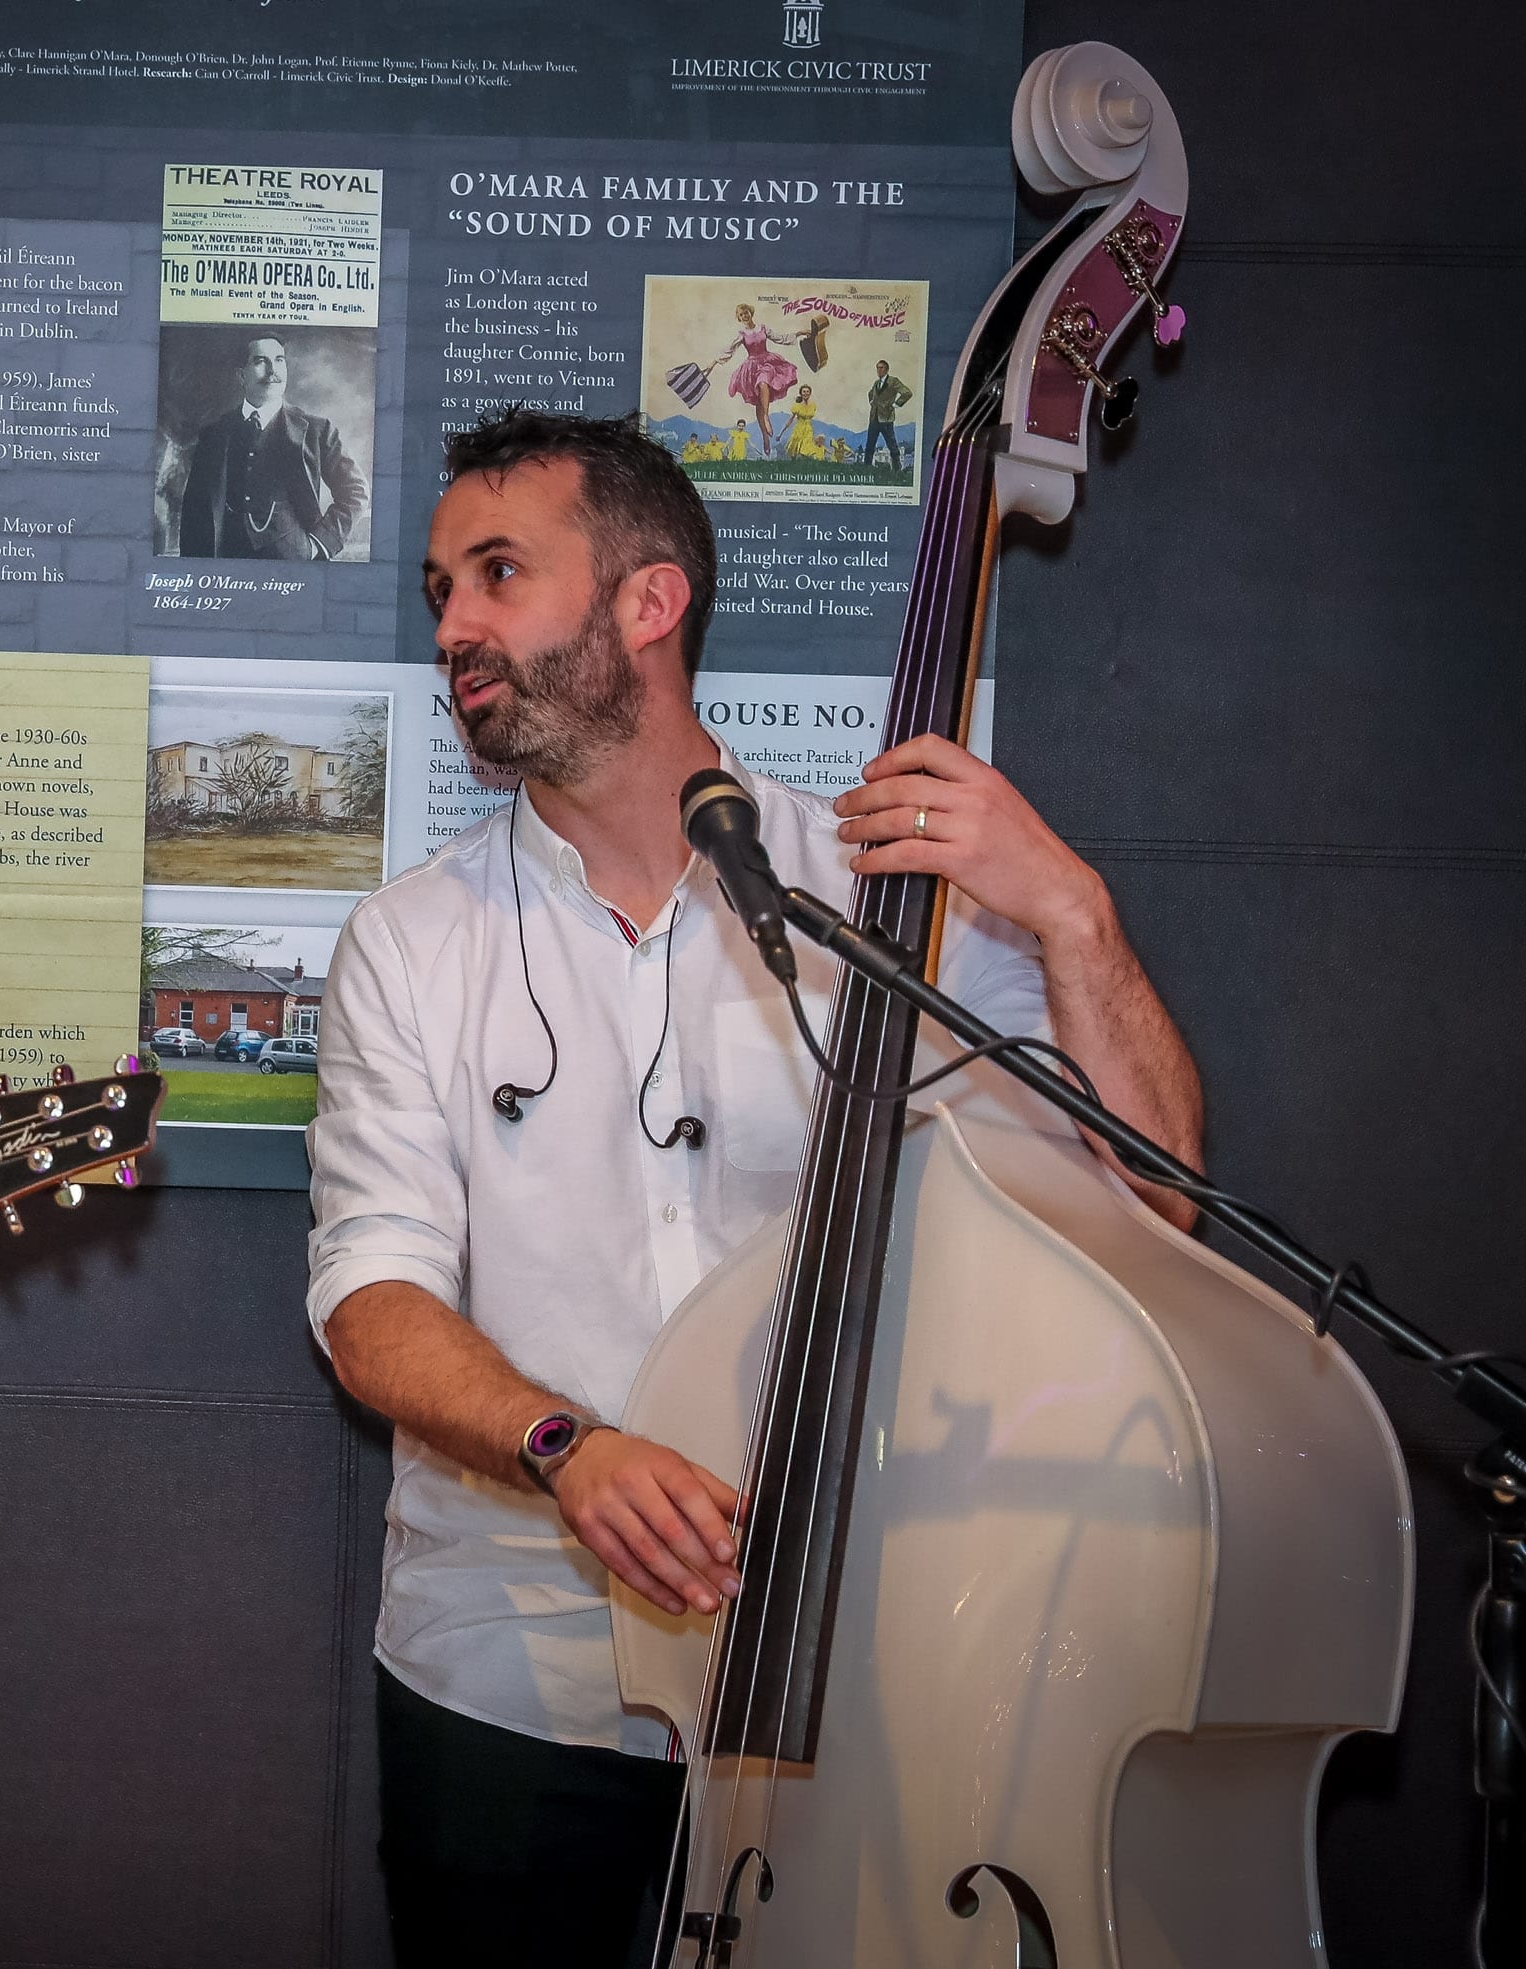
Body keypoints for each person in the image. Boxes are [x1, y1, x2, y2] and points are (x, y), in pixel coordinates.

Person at [306, 409, 1204, 1963]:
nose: (454, 623)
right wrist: (562, 1445)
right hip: (513, 1685)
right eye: (443, 585)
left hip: (858, 1685)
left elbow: (1161, 1193)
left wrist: (1070, 914)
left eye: (498, 573)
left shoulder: (880, 891)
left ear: (646, 605)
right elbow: (370, 1299)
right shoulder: (410, 942)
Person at [175, 333, 368, 561]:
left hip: (293, 565)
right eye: (260, 361)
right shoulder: (214, 434)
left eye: (279, 360)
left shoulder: (317, 431)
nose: (272, 371)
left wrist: (319, 544)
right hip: (226, 564)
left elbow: (356, 492)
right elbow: (194, 509)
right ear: (241, 375)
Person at [713, 303, 798, 458]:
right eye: (741, 315)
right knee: (759, 403)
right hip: (751, 366)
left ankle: (766, 416)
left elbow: (780, 338)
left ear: (751, 313)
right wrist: (713, 363)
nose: (745, 316)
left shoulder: (763, 328)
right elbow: (729, 350)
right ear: (739, 318)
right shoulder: (742, 334)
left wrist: (798, 334)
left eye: (746, 313)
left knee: (764, 382)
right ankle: (765, 437)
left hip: (766, 362)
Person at [865, 357, 912, 472]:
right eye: (877, 368)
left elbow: (907, 393)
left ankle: (897, 469)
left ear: (887, 369)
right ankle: (866, 467)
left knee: (892, 445)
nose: (879, 370)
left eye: (881, 368)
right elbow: (870, 393)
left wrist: (895, 405)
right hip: (874, 419)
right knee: (870, 445)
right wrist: (871, 401)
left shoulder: (893, 381)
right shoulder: (876, 383)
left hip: (886, 420)